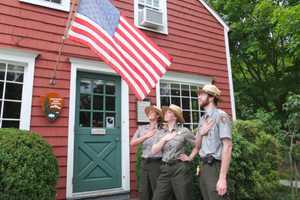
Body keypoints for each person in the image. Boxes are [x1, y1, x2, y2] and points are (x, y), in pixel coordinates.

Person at [151, 104, 207, 200]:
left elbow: (198, 145)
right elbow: (153, 151)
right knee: (157, 197)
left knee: (184, 197)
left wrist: (190, 157)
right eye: (166, 112)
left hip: (180, 169)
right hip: (165, 169)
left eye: (169, 112)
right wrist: (164, 139)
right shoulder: (161, 133)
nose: (165, 114)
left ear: (175, 117)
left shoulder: (184, 131)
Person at [196, 84, 233, 200]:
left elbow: (227, 146)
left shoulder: (221, 116)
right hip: (203, 166)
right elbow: (196, 146)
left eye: (202, 94)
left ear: (211, 97)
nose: (198, 97)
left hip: (214, 166)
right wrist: (201, 132)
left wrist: (222, 178)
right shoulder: (202, 119)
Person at [130, 105, 163, 200]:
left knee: (156, 189)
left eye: (152, 112)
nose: (150, 113)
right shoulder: (142, 128)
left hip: (156, 162)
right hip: (144, 162)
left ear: (157, 116)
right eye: (149, 111)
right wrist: (146, 136)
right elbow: (132, 143)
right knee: (144, 189)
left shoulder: (162, 129)